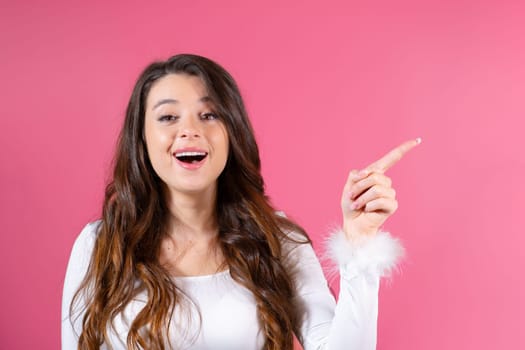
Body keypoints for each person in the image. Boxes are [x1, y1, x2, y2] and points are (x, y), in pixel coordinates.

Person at [61, 53, 420, 350]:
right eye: (168, 117)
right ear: (141, 138)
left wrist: (360, 245)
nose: (189, 130)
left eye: (209, 114)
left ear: (233, 132)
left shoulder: (277, 240)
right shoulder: (100, 245)